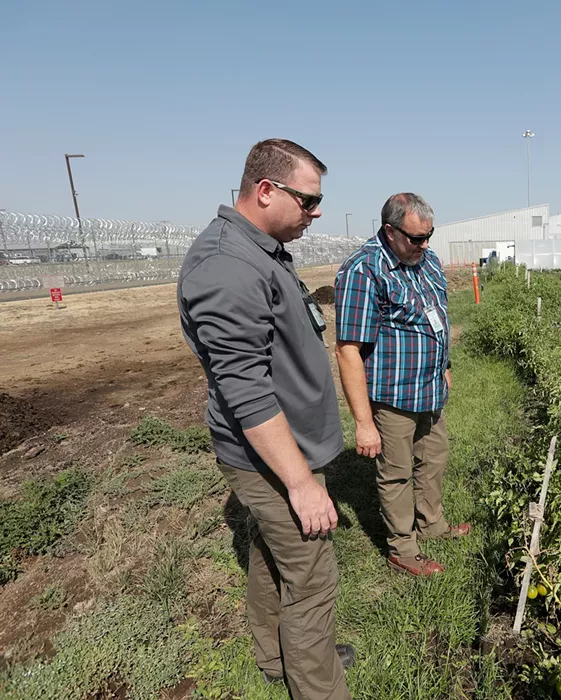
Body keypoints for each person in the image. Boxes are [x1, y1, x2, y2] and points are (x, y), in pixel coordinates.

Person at [178, 138, 354, 699]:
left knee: (271, 554)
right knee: (312, 578)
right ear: (265, 191)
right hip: (274, 458)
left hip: (285, 450)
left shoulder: (261, 248)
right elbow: (245, 390)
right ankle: (318, 683)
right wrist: (300, 484)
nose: (317, 211)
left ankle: (286, 658)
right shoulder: (228, 266)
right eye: (309, 200)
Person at [334, 193, 470, 578]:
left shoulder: (425, 260)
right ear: (390, 231)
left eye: (429, 236)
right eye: (415, 238)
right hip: (393, 396)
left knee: (433, 459)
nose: (424, 245)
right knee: (396, 473)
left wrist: (443, 364)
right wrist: (363, 422)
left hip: (430, 389)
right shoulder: (364, 271)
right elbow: (348, 350)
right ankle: (403, 549)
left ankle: (433, 525)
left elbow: (437, 316)